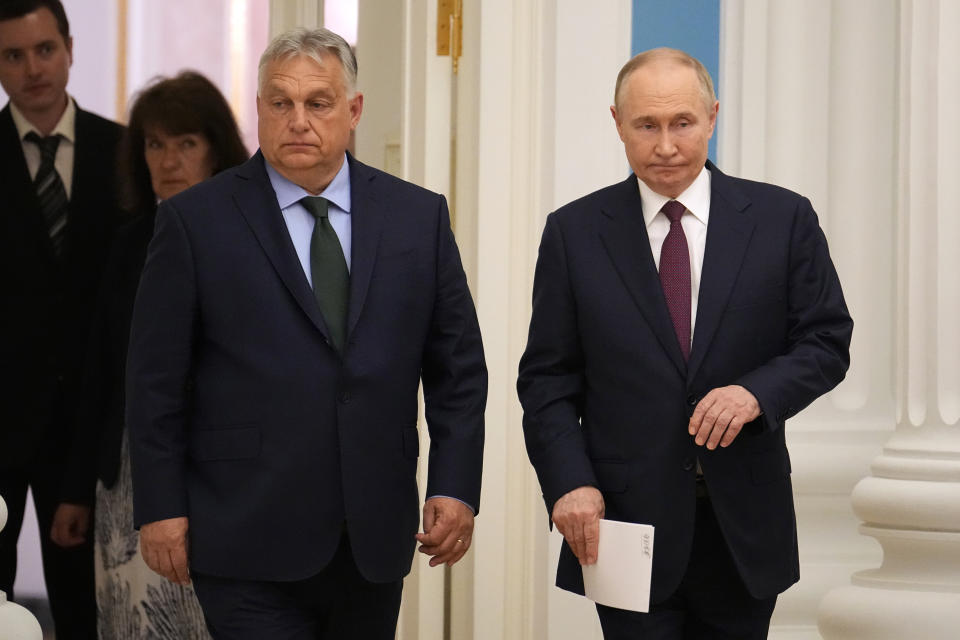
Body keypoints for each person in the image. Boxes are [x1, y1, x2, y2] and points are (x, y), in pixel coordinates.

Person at [126, 27, 486, 639]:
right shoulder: (195, 222)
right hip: (241, 532)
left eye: (317, 103)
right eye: (279, 103)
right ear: (259, 108)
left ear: (353, 111)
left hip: (370, 535)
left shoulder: (417, 218)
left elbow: (458, 370)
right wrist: (161, 507)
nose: (297, 120)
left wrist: (456, 485)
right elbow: (155, 380)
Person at [517, 48, 853, 639]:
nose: (665, 145)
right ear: (617, 122)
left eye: (682, 123)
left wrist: (756, 393)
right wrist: (569, 481)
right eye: (646, 125)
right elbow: (547, 378)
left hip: (744, 525)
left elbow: (826, 340)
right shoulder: (573, 233)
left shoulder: (782, 218)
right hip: (624, 523)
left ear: (712, 117)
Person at [52, 71, 248, 638]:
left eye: (186, 143)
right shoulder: (130, 243)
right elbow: (102, 372)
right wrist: (74, 489)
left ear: (216, 150)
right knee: (131, 618)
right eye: (155, 144)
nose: (168, 159)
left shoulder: (249, 236)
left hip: (219, 470)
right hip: (128, 471)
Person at [0, 1, 123, 637]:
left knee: (82, 607)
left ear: (69, 49)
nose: (32, 69)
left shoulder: (124, 151)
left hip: (84, 427)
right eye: (12, 55)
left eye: (44, 50)